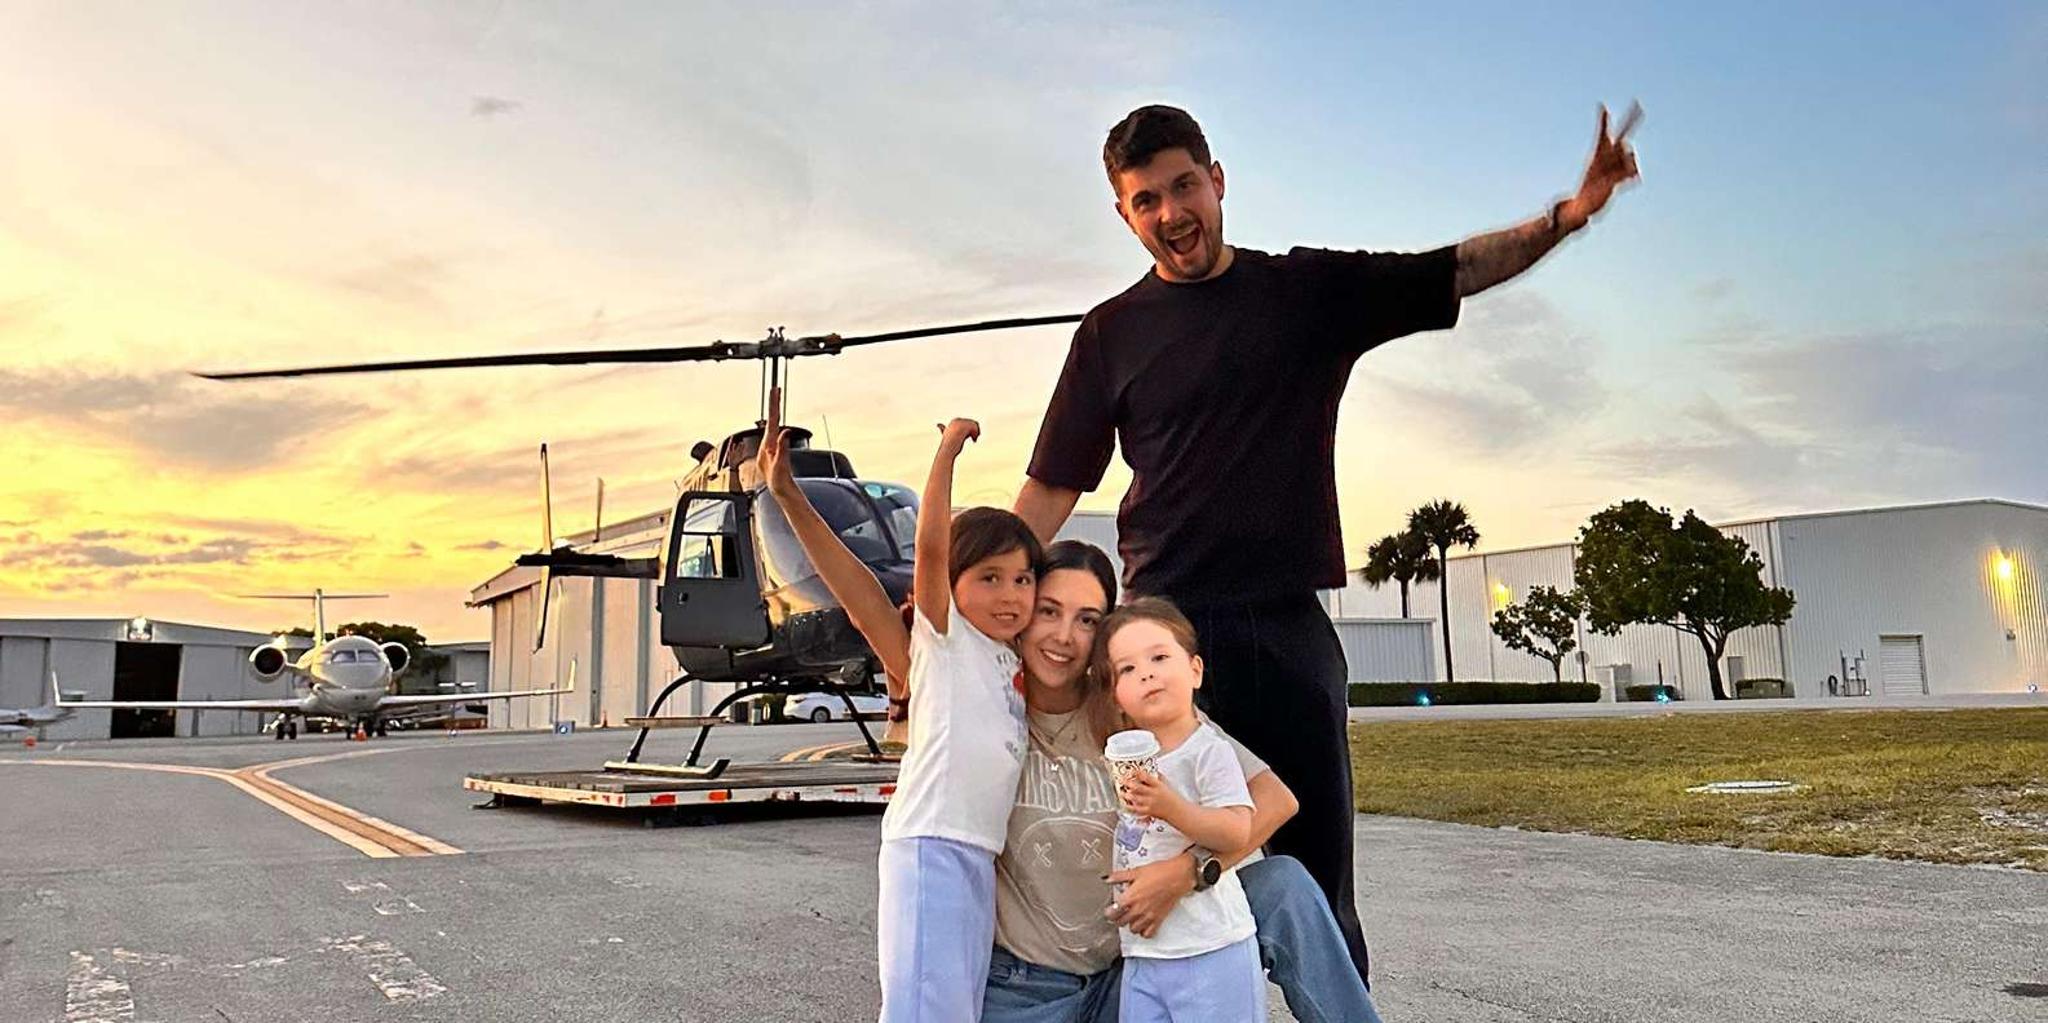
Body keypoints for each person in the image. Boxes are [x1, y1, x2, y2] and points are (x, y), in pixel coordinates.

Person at [1014, 102, 1641, 984]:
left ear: (1217, 180)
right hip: (1163, 631)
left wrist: (1567, 218)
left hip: (1285, 631)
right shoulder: (1110, 334)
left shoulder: (1301, 294)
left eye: (1183, 186)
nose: (1170, 214)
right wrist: (969, 590)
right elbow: (1053, 486)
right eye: (1145, 200)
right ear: (1124, 214)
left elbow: (1448, 271)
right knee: (1159, 871)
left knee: (1314, 880)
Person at [984, 541, 1385, 1023]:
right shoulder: (992, 716)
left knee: (1285, 886)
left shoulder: (1132, 713)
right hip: (1028, 991)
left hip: (1135, 971)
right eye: (1049, 612)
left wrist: (1191, 870)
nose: (1065, 636)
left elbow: (1275, 799)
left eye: (1088, 619)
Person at [760, 389, 1037, 1022]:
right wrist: (945, 453)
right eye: (989, 578)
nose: (1010, 595)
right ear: (952, 588)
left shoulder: (1011, 661)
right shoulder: (944, 640)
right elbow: (890, 572)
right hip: (931, 849)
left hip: (979, 857)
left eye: (1023, 579)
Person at [1101, 597, 1263, 1022]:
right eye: (1128, 669)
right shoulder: (1122, 761)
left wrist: (1171, 806)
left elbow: (1236, 831)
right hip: (1144, 954)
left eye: (1159, 657)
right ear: (1117, 695)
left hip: (1212, 947)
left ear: (1194, 670)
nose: (1147, 673)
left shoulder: (1208, 751)